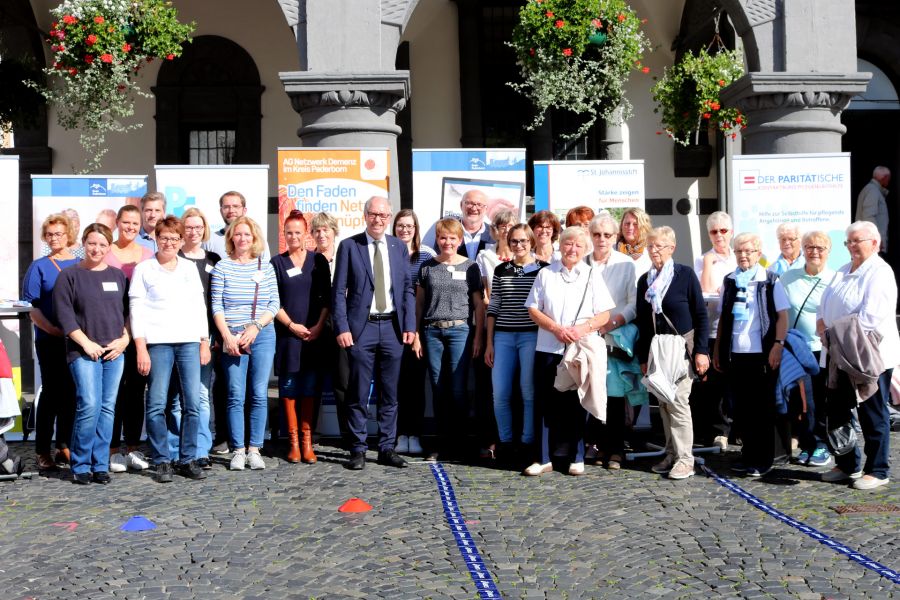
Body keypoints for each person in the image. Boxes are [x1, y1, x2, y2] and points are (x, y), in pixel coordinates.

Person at [332, 196, 416, 470]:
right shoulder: (349, 246)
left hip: (392, 328)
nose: (378, 219)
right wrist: (342, 327)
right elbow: (339, 293)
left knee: (390, 393)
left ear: (389, 217)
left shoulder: (398, 247)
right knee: (358, 392)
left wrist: (410, 325)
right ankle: (357, 448)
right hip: (361, 328)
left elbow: (407, 290)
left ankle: (386, 448)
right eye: (373, 214)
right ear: (365, 215)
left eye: (383, 215)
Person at [817, 221, 899, 490]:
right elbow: (825, 301)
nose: (851, 246)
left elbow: (870, 317)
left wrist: (833, 332)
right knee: (837, 411)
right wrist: (821, 322)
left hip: (867, 355)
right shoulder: (843, 270)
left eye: (856, 241)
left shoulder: (880, 272)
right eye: (847, 242)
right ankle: (847, 463)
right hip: (837, 352)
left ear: (874, 243)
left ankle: (877, 469)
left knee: (872, 413)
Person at [526, 226, 614, 476]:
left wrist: (582, 328)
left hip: (578, 349)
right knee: (544, 403)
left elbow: (605, 314)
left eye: (577, 245)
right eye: (567, 244)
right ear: (559, 245)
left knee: (577, 403)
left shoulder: (591, 274)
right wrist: (555, 328)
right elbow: (533, 309)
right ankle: (542, 457)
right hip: (548, 347)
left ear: (585, 249)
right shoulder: (545, 274)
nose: (572, 249)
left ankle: (577, 456)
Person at [130, 216, 209, 482]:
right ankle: (162, 459)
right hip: (158, 343)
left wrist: (204, 340)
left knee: (193, 404)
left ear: (181, 241)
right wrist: (140, 346)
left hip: (188, 341)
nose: (169, 243)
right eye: (164, 237)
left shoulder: (188, 269)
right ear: (156, 238)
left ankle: (187, 458)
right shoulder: (144, 269)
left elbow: (199, 306)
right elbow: (136, 310)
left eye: (175, 238)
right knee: (156, 404)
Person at [53, 223, 130, 484]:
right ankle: (81, 464)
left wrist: (125, 340)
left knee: (108, 408)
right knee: (89, 405)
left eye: (102, 244)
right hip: (83, 351)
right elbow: (64, 316)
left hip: (114, 353)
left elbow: (129, 313)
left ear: (109, 247)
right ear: (83, 244)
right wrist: (86, 344)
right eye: (92, 243)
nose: (96, 249)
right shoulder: (69, 275)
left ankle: (100, 465)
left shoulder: (118, 276)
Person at [636, 226, 710, 480]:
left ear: (672, 248)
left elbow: (701, 314)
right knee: (664, 404)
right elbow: (642, 323)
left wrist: (702, 351)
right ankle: (671, 453)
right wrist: (643, 358)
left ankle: (686, 459)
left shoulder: (685, 275)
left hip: (682, 348)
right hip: (657, 349)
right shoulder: (644, 280)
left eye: (659, 246)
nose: (654, 250)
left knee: (678, 402)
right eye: (651, 246)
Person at [714, 232, 789, 478]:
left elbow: (782, 316)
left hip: (762, 354)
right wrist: (718, 350)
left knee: (762, 409)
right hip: (737, 354)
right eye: (739, 251)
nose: (743, 255)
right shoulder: (730, 280)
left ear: (758, 253)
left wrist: (778, 344)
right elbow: (724, 318)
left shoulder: (770, 280)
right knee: (743, 409)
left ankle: (763, 458)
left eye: (748, 251)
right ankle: (747, 455)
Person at [211, 216, 279, 471]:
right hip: (232, 337)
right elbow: (216, 305)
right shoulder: (222, 267)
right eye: (237, 234)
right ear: (231, 238)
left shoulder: (266, 266)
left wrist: (256, 326)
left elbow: (274, 303)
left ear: (254, 238)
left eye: (247, 235)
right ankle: (238, 449)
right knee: (235, 395)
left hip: (261, 335)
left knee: (259, 393)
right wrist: (227, 336)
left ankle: (255, 448)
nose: (242, 239)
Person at [416, 218, 485, 461]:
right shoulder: (427, 267)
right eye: (443, 237)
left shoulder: (471, 267)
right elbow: (420, 302)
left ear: (459, 240)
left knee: (457, 389)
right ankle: (441, 444)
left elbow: (479, 304)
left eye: (452, 238)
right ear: (437, 239)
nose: (447, 242)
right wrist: (415, 334)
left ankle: (460, 444)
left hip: (460, 332)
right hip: (432, 332)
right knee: (437, 388)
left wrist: (478, 337)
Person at [484, 224, 547, 469]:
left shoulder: (543, 269)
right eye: (514, 241)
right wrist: (489, 342)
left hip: (531, 336)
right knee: (499, 392)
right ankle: (506, 442)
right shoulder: (502, 270)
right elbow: (494, 306)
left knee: (527, 391)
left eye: (523, 241)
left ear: (531, 242)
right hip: (503, 336)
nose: (518, 245)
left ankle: (527, 442)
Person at [271, 211, 331, 464]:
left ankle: (308, 442)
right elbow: (272, 301)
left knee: (309, 389)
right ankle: (293, 442)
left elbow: (327, 299)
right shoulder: (277, 263)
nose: (293, 236)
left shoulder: (319, 261)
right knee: (288, 388)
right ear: (284, 235)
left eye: (298, 232)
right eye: (289, 232)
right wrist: (292, 325)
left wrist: (317, 326)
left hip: (314, 336)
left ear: (305, 234)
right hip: (288, 336)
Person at [22, 213, 79, 470]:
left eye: (59, 233)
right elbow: (30, 307)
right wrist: (54, 330)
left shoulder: (81, 264)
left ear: (69, 235)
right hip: (50, 339)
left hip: (78, 340)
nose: (54, 238)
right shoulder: (39, 266)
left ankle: (64, 445)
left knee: (72, 393)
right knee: (52, 393)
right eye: (50, 234)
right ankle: (42, 450)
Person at [584, 213, 638, 470]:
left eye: (607, 235)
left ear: (615, 237)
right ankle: (594, 445)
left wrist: (614, 322)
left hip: (615, 335)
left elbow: (633, 302)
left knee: (615, 396)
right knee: (590, 391)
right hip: (587, 336)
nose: (602, 239)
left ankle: (616, 450)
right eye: (597, 234)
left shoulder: (626, 264)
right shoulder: (582, 262)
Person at [780, 231, 837, 468]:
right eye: (809, 246)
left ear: (828, 251)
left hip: (820, 350)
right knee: (797, 400)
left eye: (820, 248)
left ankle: (821, 444)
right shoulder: (788, 277)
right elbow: (780, 311)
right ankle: (806, 443)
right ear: (802, 249)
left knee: (816, 401)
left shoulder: (835, 279)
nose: (814, 251)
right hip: (794, 348)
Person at [105, 205, 153, 474]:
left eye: (136, 224)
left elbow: (144, 300)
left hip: (137, 333)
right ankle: (112, 450)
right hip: (108, 334)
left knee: (135, 393)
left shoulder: (148, 255)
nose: (131, 228)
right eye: (126, 222)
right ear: (117, 222)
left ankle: (133, 447)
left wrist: (130, 334)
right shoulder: (106, 251)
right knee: (112, 394)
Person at [177, 207, 221, 468]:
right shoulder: (174, 257)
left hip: (207, 334)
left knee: (203, 394)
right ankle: (178, 448)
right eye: (189, 227)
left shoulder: (214, 258)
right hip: (178, 334)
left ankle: (202, 448)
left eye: (198, 227)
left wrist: (213, 333)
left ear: (205, 229)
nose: (193, 231)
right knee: (178, 397)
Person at [692, 210, 737, 451]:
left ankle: (734, 428)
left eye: (723, 230)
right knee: (711, 384)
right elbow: (706, 290)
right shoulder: (703, 259)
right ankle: (717, 430)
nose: (719, 235)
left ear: (730, 231)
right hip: (711, 329)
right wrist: (709, 263)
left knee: (733, 383)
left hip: (735, 331)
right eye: (713, 231)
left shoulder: (738, 256)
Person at [392, 209, 435, 456]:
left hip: (418, 330)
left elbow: (424, 299)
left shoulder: (426, 256)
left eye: (409, 226)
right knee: (395, 385)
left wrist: (417, 332)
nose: (405, 230)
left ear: (416, 229)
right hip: (391, 328)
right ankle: (399, 434)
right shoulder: (387, 252)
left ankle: (415, 434)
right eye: (400, 225)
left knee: (416, 385)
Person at [476, 209, 517, 301]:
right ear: (495, 230)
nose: (507, 230)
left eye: (510, 226)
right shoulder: (483, 256)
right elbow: (482, 288)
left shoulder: (523, 255)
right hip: (492, 311)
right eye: (503, 226)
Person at [854, 166, 891, 254]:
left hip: (870, 242)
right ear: (884, 177)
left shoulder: (871, 189)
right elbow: (868, 216)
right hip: (872, 243)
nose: (889, 181)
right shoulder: (873, 191)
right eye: (888, 178)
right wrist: (875, 237)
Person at [618, 207, 653, 277]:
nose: (630, 228)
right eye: (627, 223)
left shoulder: (652, 251)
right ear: (621, 225)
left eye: (635, 224)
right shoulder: (612, 249)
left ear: (644, 227)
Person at [311, 212, 340, 280]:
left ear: (334, 231)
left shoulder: (343, 258)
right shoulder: (307, 261)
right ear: (312, 234)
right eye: (317, 231)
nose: (321, 235)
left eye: (325, 230)